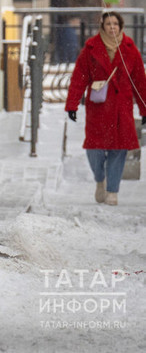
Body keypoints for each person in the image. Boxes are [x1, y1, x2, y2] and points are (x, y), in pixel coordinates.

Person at [65, 11, 146, 206]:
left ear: (121, 26)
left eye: (115, 24)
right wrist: (72, 105)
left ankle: (112, 191)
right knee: (95, 150)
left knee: (119, 151)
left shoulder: (129, 48)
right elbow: (79, 77)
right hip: (99, 108)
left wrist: (144, 110)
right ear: (102, 26)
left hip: (121, 108)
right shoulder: (91, 48)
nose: (112, 28)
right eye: (108, 24)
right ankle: (100, 180)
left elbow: (140, 82)